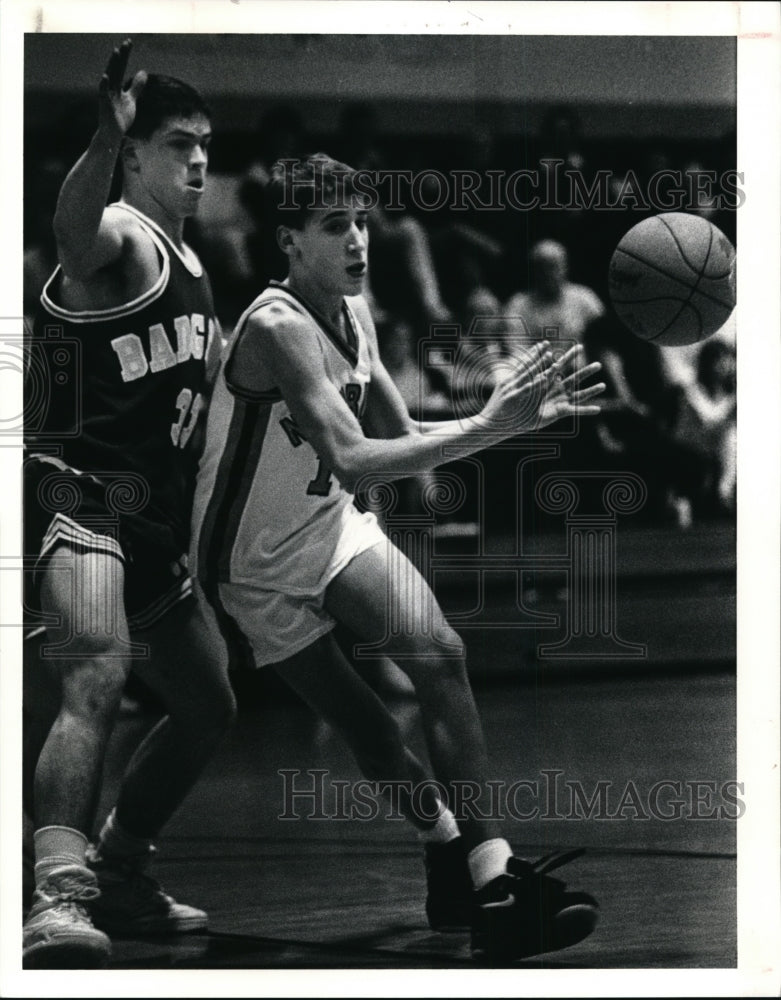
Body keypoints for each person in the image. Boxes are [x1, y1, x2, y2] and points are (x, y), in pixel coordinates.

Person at [191, 154, 605, 962]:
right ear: (289, 240)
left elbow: (404, 444)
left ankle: (491, 879)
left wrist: (508, 422)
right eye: (333, 225)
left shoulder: (356, 312)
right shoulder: (275, 325)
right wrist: (487, 426)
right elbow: (351, 455)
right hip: (250, 559)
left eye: (362, 223)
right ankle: (446, 852)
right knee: (370, 729)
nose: (356, 241)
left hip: (330, 525)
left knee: (440, 653)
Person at [22, 40, 235, 968]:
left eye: (205, 146)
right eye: (178, 143)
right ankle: (57, 900)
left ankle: (122, 868)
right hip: (76, 493)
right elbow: (70, 232)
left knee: (209, 701)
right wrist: (98, 146)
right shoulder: (115, 232)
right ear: (136, 153)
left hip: (151, 520)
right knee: (98, 672)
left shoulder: (194, 268)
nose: (197, 160)